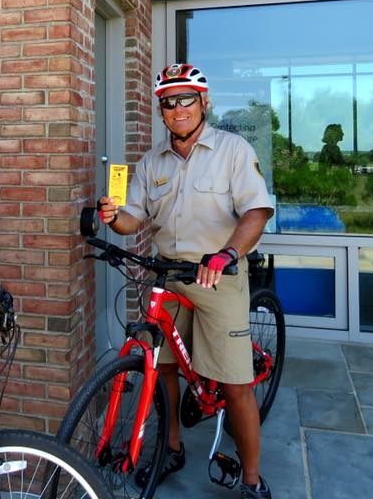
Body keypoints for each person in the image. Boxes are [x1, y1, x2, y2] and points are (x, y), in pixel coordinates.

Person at [96, 63, 275, 499]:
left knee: (235, 384)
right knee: (164, 372)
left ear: (203, 103)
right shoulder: (151, 162)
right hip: (167, 277)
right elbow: (133, 217)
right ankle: (171, 447)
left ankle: (251, 479)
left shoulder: (232, 150)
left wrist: (227, 253)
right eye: (168, 101)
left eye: (186, 99)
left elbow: (256, 211)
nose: (177, 108)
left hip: (219, 276)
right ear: (161, 110)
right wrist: (113, 217)